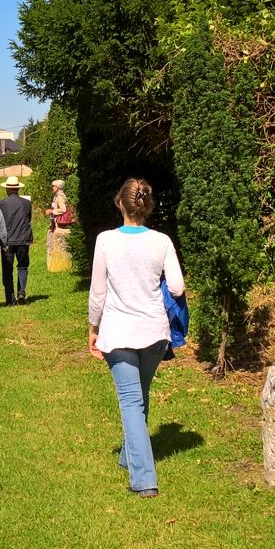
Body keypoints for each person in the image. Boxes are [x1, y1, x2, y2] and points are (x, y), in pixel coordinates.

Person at [88, 177, 184, 498]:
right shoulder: (162, 241)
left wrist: (92, 327)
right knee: (139, 396)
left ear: (120, 204)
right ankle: (128, 456)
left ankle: (144, 479)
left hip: (119, 332)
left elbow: (98, 291)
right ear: (147, 206)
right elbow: (177, 288)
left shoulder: (105, 241)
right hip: (155, 333)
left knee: (130, 400)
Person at [0, 175, 34, 306]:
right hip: (23, 239)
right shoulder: (26, 203)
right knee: (23, 266)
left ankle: (10, 299)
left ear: (7, 189)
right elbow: (28, 219)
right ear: (18, 189)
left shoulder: (1, 204)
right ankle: (22, 292)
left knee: (7, 269)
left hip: (7, 240)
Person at [45, 178, 70, 251]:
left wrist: (52, 211)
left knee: (56, 244)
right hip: (55, 223)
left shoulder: (59, 197)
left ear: (58, 187)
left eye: (53, 186)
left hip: (58, 223)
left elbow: (63, 209)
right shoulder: (58, 196)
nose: (52, 187)